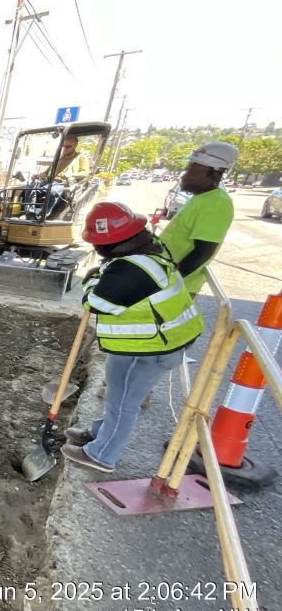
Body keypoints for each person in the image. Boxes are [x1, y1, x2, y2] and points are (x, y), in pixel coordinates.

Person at [61, 202, 204, 473]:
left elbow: (96, 302)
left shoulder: (130, 270)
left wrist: (92, 280)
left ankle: (102, 455)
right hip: (152, 342)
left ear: (107, 244)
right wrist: (102, 274)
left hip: (155, 347)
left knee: (124, 401)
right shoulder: (145, 252)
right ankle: (100, 433)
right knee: (119, 391)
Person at [157, 141, 238, 295]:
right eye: (187, 170)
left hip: (175, 289)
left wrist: (169, 281)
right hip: (164, 283)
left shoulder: (217, 203)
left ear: (215, 173)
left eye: (192, 171)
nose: (184, 176)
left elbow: (203, 251)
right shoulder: (201, 198)